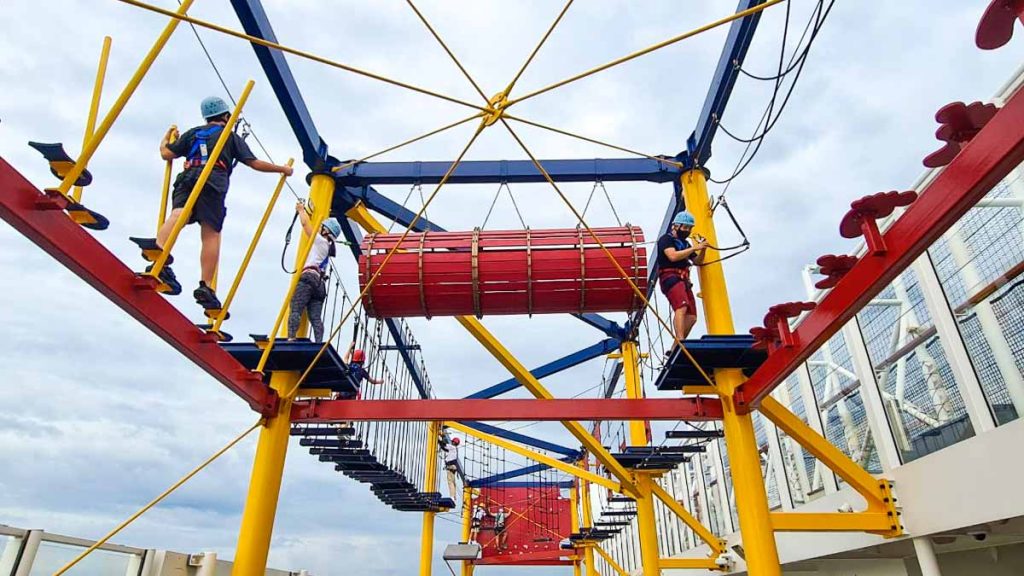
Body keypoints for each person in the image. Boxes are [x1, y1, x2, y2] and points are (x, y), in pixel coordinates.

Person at [145, 96, 293, 307]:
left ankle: (157, 252)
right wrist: (283, 169)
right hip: (213, 181)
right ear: (225, 116)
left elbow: (166, 153)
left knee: (178, 213)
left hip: (187, 177)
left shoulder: (194, 133)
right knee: (211, 233)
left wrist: (167, 138)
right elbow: (255, 163)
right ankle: (205, 285)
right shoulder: (229, 137)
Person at [287, 202, 342, 342]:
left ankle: (291, 338)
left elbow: (306, 226)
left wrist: (301, 210)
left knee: (295, 308)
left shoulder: (320, 241)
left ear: (326, 231)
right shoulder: (329, 247)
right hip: (320, 284)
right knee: (315, 317)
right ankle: (319, 343)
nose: (319, 229)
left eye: (321, 227)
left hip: (308, 278)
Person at [657, 211, 708, 341]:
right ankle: (680, 339)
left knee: (691, 316)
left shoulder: (685, 244)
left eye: (689, 228)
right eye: (685, 227)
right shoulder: (666, 239)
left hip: (683, 279)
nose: (687, 230)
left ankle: (676, 344)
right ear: (676, 226)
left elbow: (697, 261)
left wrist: (703, 249)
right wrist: (694, 248)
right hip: (670, 276)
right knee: (681, 306)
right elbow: (672, 256)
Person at [440, 434, 461, 502]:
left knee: (450, 482)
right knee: (452, 482)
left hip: (451, 466)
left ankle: (452, 496)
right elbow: (444, 448)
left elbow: (444, 445)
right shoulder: (453, 449)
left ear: (454, 442)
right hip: (453, 467)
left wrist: (439, 438)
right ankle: (454, 497)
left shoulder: (452, 447)